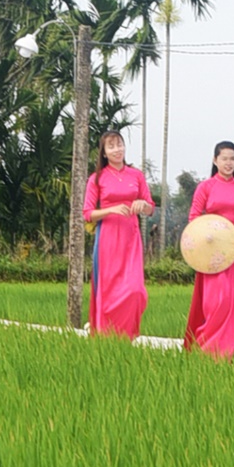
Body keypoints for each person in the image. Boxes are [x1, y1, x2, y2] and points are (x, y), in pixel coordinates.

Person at [183, 142, 234, 358]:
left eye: (232, 158)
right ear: (215, 160)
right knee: (216, 301)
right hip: (211, 251)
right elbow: (194, 218)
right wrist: (211, 231)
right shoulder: (205, 187)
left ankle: (225, 353)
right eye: (224, 158)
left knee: (231, 301)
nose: (228, 163)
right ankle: (206, 347)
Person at [82, 132, 154, 338]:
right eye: (111, 146)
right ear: (104, 153)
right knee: (109, 292)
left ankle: (127, 333)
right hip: (108, 239)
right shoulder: (97, 178)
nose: (117, 149)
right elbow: (87, 213)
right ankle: (108, 337)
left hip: (131, 238)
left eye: (119, 144)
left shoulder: (136, 175)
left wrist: (143, 206)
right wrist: (110, 210)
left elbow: (150, 207)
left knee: (136, 291)